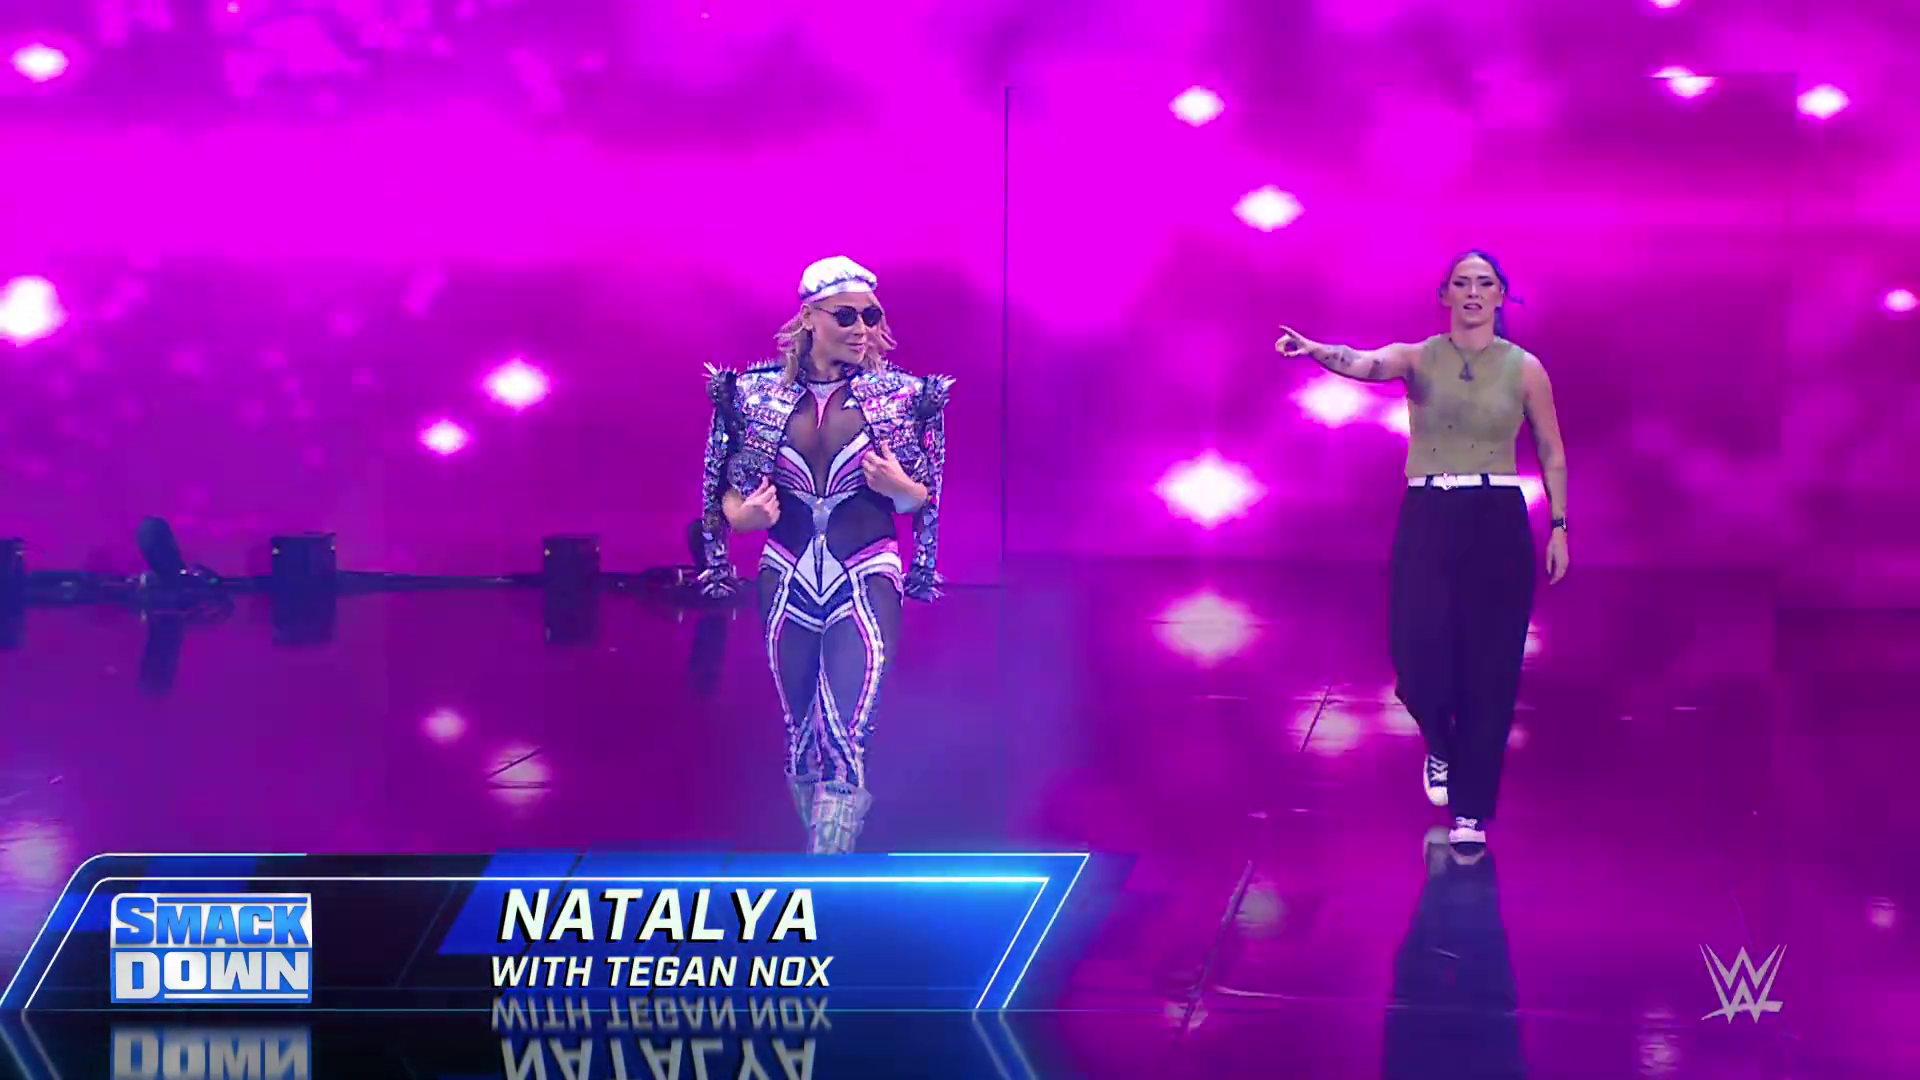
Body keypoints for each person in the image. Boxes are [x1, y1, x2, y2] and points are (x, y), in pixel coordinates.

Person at [1274, 251, 1568, 848]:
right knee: (1415, 656)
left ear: (1500, 295)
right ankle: (1440, 742)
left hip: (1496, 516)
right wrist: (1316, 351)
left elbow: (1551, 450)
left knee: (1491, 667)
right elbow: (1363, 362)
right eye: (1462, 282)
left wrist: (1560, 525)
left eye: (1484, 283)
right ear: (1445, 294)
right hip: (1429, 512)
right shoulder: (1418, 357)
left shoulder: (1525, 368)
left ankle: (1470, 813)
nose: (1473, 292)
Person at [697, 256, 952, 854]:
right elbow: (723, 487)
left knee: (844, 727)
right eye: (846, 315)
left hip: (865, 571)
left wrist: (902, 489)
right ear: (809, 317)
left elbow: (926, 497)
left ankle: (828, 867)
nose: (862, 328)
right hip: (785, 573)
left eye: (871, 316)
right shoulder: (752, 394)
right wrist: (741, 517)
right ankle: (815, 854)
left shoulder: (905, 396)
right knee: (800, 732)